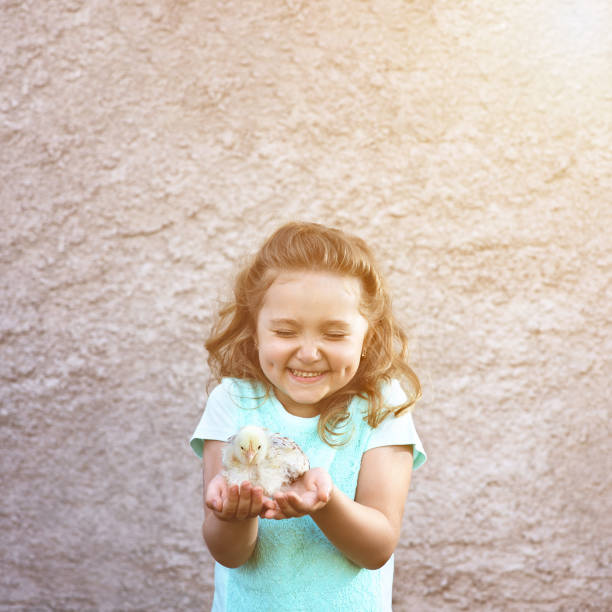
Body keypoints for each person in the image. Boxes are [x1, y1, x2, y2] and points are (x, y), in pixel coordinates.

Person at [190, 221, 426, 611]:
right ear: (254, 332)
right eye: (286, 332)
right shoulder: (232, 401)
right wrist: (235, 513)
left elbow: (377, 548)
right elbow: (229, 554)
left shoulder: (381, 404)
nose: (309, 352)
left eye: (334, 335)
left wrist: (325, 502)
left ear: (368, 337)